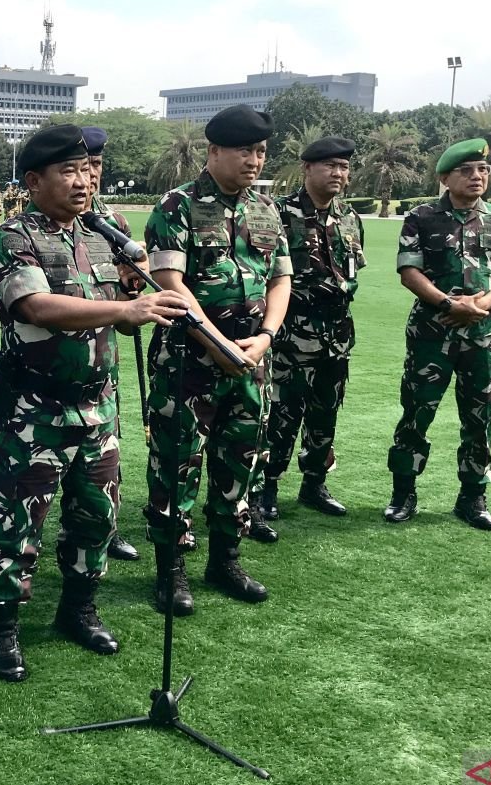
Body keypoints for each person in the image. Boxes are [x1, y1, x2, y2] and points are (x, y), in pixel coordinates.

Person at [0, 124, 188, 682]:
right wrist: (124, 311)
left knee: (95, 518)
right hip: (35, 411)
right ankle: (1, 626)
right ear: (34, 180)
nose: (82, 181)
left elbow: (125, 295)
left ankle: (78, 609)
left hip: (98, 410)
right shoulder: (14, 236)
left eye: (86, 170)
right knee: (16, 524)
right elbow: (36, 306)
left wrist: (133, 294)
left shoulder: (102, 235)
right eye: (67, 172)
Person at [142, 104, 292, 616]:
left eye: (261, 152)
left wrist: (265, 337)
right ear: (214, 152)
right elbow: (170, 283)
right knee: (176, 466)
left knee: (241, 461)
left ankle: (225, 559)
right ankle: (172, 569)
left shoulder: (267, 210)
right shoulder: (176, 205)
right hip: (189, 363)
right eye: (245, 151)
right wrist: (217, 344)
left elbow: (280, 279)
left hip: (251, 360)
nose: (254, 161)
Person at [385, 138, 491, 531]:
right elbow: (409, 272)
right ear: (446, 177)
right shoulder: (422, 217)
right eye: (466, 171)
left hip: (484, 336)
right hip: (432, 333)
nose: (477, 176)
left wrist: (480, 306)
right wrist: (449, 306)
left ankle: (473, 497)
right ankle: (403, 493)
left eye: (483, 170)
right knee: (416, 413)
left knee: (481, 417)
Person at [257, 137, 365, 525]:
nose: (338, 174)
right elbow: (266, 273)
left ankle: (314, 483)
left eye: (344, 167)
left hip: (336, 336)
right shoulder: (278, 213)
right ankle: (266, 487)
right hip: (290, 335)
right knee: (282, 414)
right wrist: (301, 294)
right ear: (307, 169)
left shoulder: (350, 219)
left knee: (326, 413)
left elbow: (352, 271)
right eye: (330, 166)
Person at [81, 125, 141, 562]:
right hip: (47, 369)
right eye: (83, 165)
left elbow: (126, 318)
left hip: (102, 367)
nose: (91, 175)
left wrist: (131, 291)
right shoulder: (29, 224)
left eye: (97, 165)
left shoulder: (114, 226)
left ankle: (108, 526)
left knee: (106, 451)